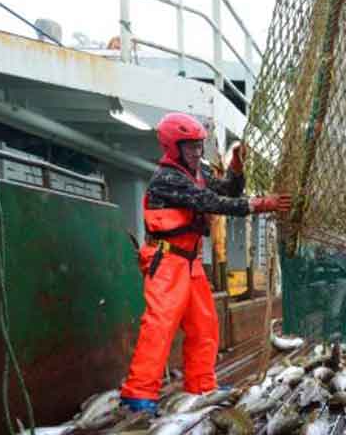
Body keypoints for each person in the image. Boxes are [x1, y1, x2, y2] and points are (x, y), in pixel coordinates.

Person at [119, 113, 292, 414]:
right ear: (173, 148)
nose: (197, 153)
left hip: (190, 261)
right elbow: (211, 203)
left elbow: (229, 191)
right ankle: (138, 393)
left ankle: (201, 384)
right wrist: (260, 204)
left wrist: (237, 164)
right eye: (191, 148)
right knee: (159, 326)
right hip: (167, 259)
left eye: (199, 146)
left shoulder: (197, 172)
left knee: (205, 324)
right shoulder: (167, 179)